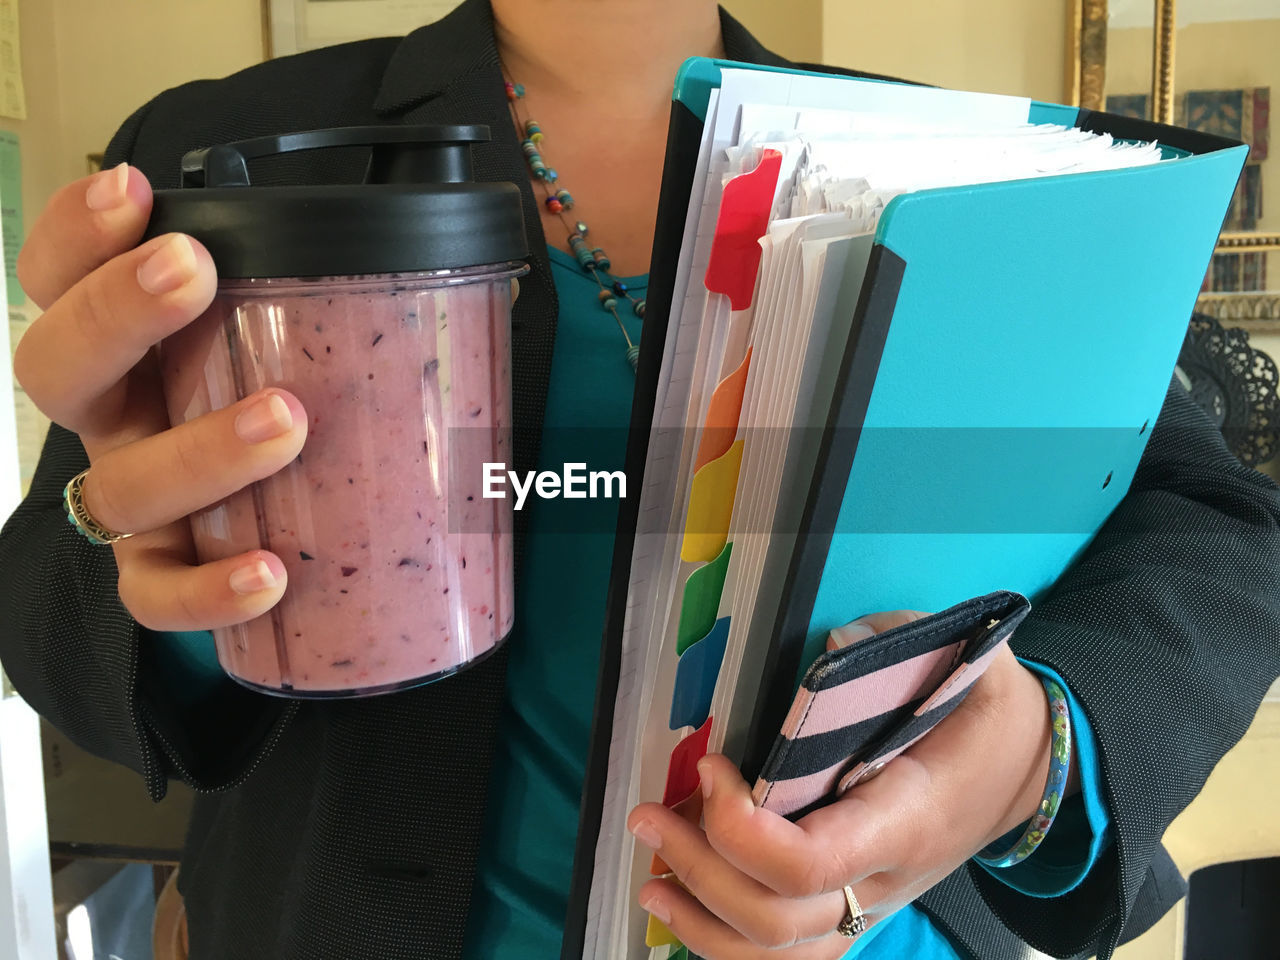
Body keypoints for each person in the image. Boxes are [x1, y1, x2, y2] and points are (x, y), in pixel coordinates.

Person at [3, 1, 1279, 957]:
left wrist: (1032, 757)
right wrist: (159, 562)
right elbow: (62, 608)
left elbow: (1214, 517)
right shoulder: (209, 148)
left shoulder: (951, 165)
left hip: (870, 929)